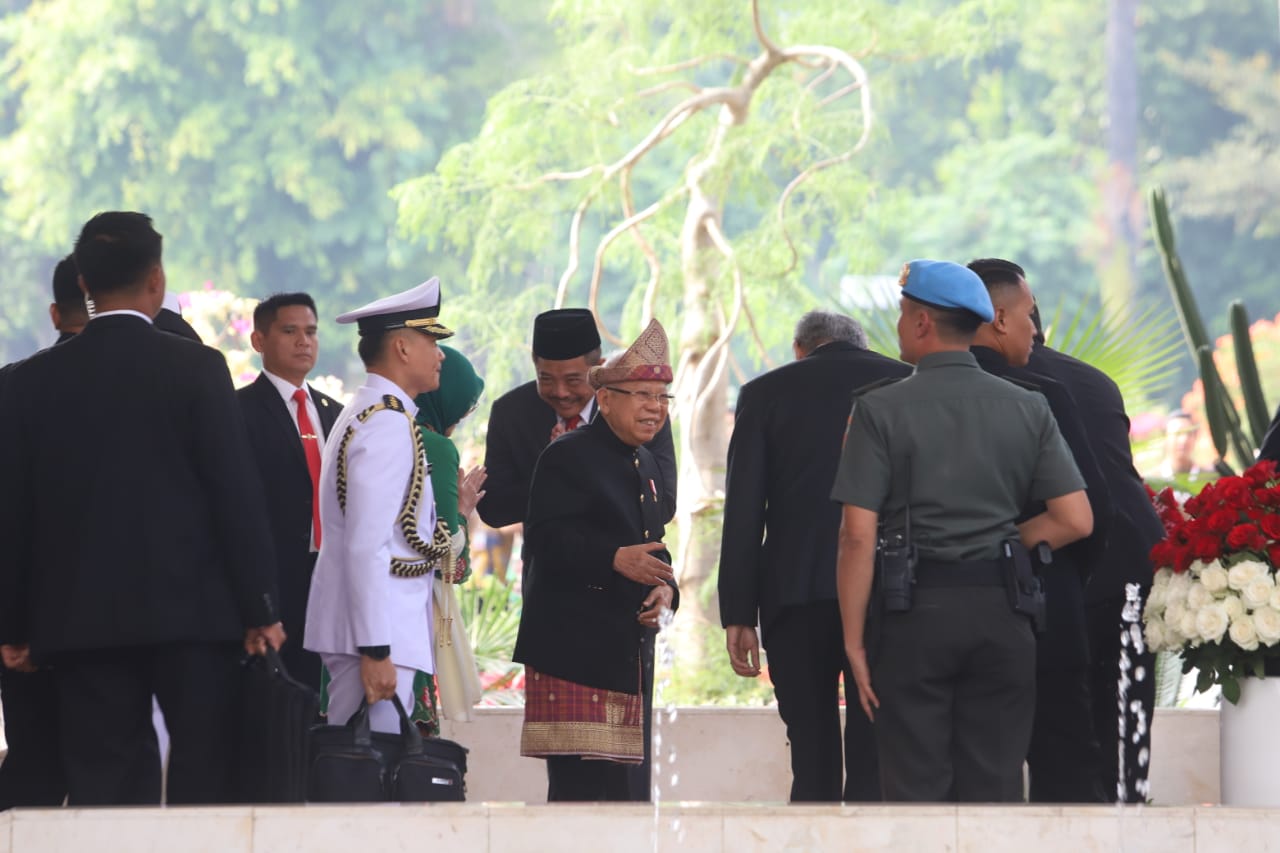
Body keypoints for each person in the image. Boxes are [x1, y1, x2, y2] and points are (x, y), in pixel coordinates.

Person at [0, 211, 284, 806]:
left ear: (82, 282)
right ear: (156, 279)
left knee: (106, 784)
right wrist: (260, 606)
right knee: (202, 774)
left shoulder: (26, 384)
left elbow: (14, 514)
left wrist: (16, 625)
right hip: (195, 618)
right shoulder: (197, 368)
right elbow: (235, 494)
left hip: (81, 622)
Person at [832, 259, 1093, 802]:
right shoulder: (1030, 407)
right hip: (1004, 614)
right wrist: (1003, 547)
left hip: (911, 617)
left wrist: (854, 642)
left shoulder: (878, 408)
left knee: (914, 787)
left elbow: (856, 535)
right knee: (994, 787)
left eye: (904, 314)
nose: (900, 326)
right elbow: (1076, 518)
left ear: (923, 322)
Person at [481, 306, 677, 798]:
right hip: (572, 631)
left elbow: (654, 528)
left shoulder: (644, 449)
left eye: (661, 397)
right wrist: (556, 466)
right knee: (580, 792)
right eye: (643, 396)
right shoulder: (550, 441)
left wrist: (665, 588)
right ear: (607, 398)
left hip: (629, 636)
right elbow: (540, 534)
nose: (654, 407)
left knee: (629, 784)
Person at [718, 309, 909, 802]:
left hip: (795, 593)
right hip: (885, 593)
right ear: (862, 344)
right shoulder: (906, 382)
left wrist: (738, 612)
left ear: (801, 350)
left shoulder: (763, 393)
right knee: (876, 751)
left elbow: (743, 509)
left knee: (811, 748)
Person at [966, 258, 1113, 803]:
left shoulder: (904, 397)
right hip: (1049, 603)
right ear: (999, 318)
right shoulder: (1044, 393)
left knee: (973, 778)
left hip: (949, 613)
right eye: (1030, 314)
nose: (1037, 328)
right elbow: (1093, 514)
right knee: (1066, 768)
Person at [1021, 298, 1166, 803]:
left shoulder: (1006, 385)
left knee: (1063, 735)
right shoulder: (1092, 378)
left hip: (1065, 564)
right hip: (1131, 558)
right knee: (1124, 728)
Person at [304, 277, 456, 734]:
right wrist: (376, 650)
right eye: (432, 340)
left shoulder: (372, 412)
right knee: (367, 779)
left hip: (376, 627)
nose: (441, 354)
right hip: (378, 631)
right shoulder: (386, 423)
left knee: (366, 775)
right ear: (403, 347)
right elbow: (367, 545)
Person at [0, 255, 84, 810]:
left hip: (30, 619)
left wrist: (13, 625)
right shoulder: (164, 379)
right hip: (125, 630)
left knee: (33, 765)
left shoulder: (15, 386)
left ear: (55, 313)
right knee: (111, 769)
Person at [479, 307, 677, 528]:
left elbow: (665, 504)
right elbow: (493, 509)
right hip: (548, 559)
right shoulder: (512, 413)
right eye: (546, 379)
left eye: (573, 380)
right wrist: (552, 470)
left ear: (598, 369)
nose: (561, 392)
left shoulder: (638, 412)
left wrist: (582, 463)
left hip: (629, 557)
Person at [237, 292, 343, 692]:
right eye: (290, 331)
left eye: (312, 332)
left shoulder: (334, 411)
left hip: (331, 580)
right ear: (259, 340)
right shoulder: (238, 410)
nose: (305, 341)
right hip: (276, 587)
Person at [411, 345, 487, 732]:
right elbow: (450, 564)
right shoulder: (436, 448)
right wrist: (463, 512)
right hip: (413, 617)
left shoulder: (374, 426)